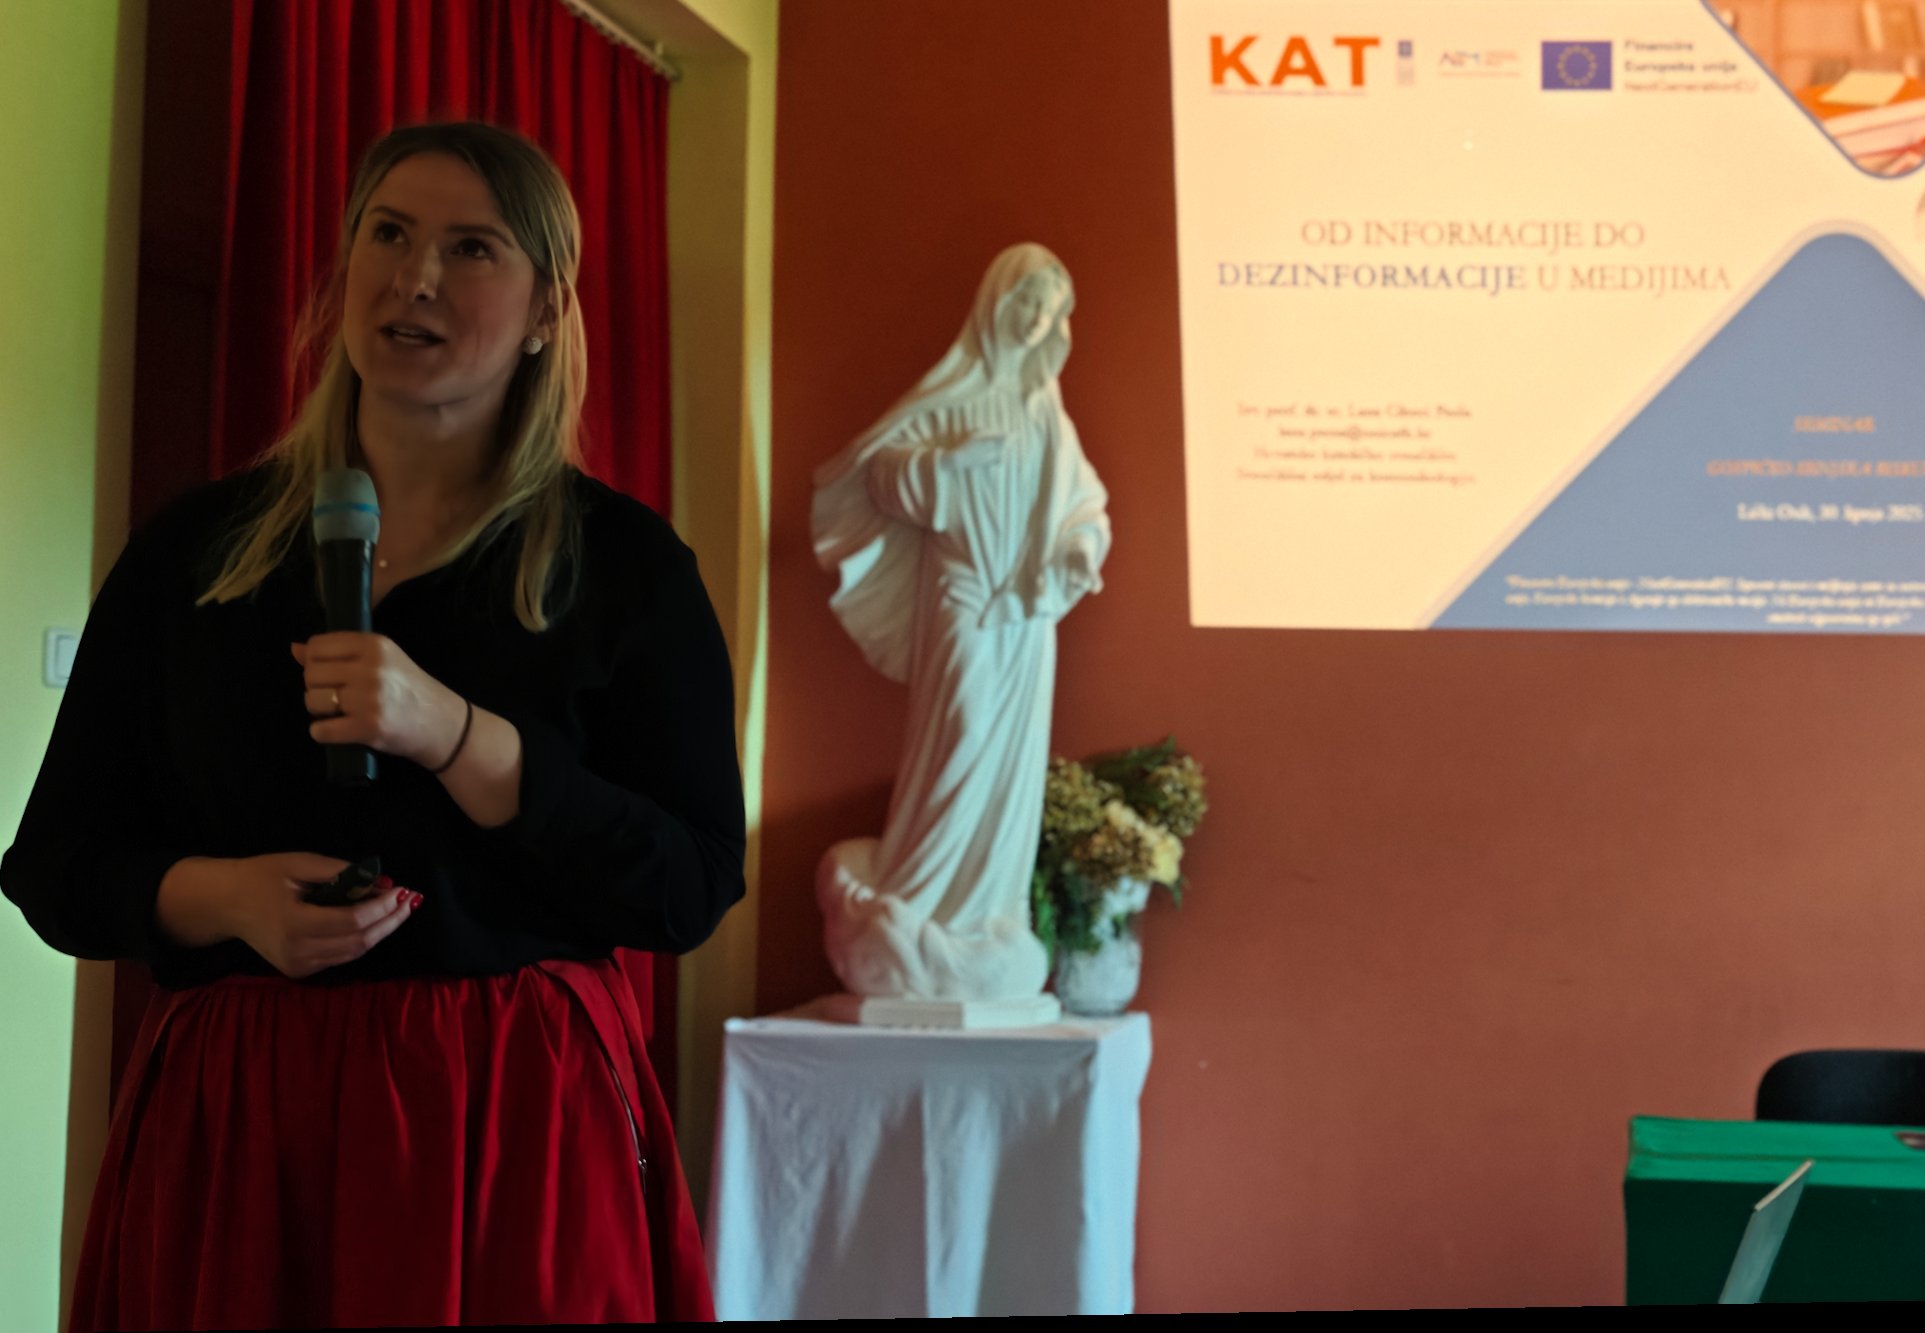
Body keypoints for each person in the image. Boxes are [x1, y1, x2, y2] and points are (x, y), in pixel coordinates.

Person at [0, 121, 743, 1329]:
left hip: (509, 1137)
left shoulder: (624, 567)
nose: (416, 278)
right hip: (241, 1134)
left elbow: (691, 883)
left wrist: (457, 735)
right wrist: (225, 899)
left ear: (547, 310)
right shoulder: (193, 553)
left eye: (471, 247)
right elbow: (56, 865)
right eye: (388, 235)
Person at [809, 244, 1110, 1002]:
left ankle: (984, 916)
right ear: (996, 303)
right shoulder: (951, 399)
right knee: (964, 732)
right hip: (963, 590)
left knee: (1010, 762)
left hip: (1027, 612)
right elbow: (880, 475)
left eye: (1048, 309)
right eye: (1026, 301)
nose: (1035, 319)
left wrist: (1079, 544)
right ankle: (911, 898)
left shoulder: (1046, 414)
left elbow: (1084, 504)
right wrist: (948, 464)